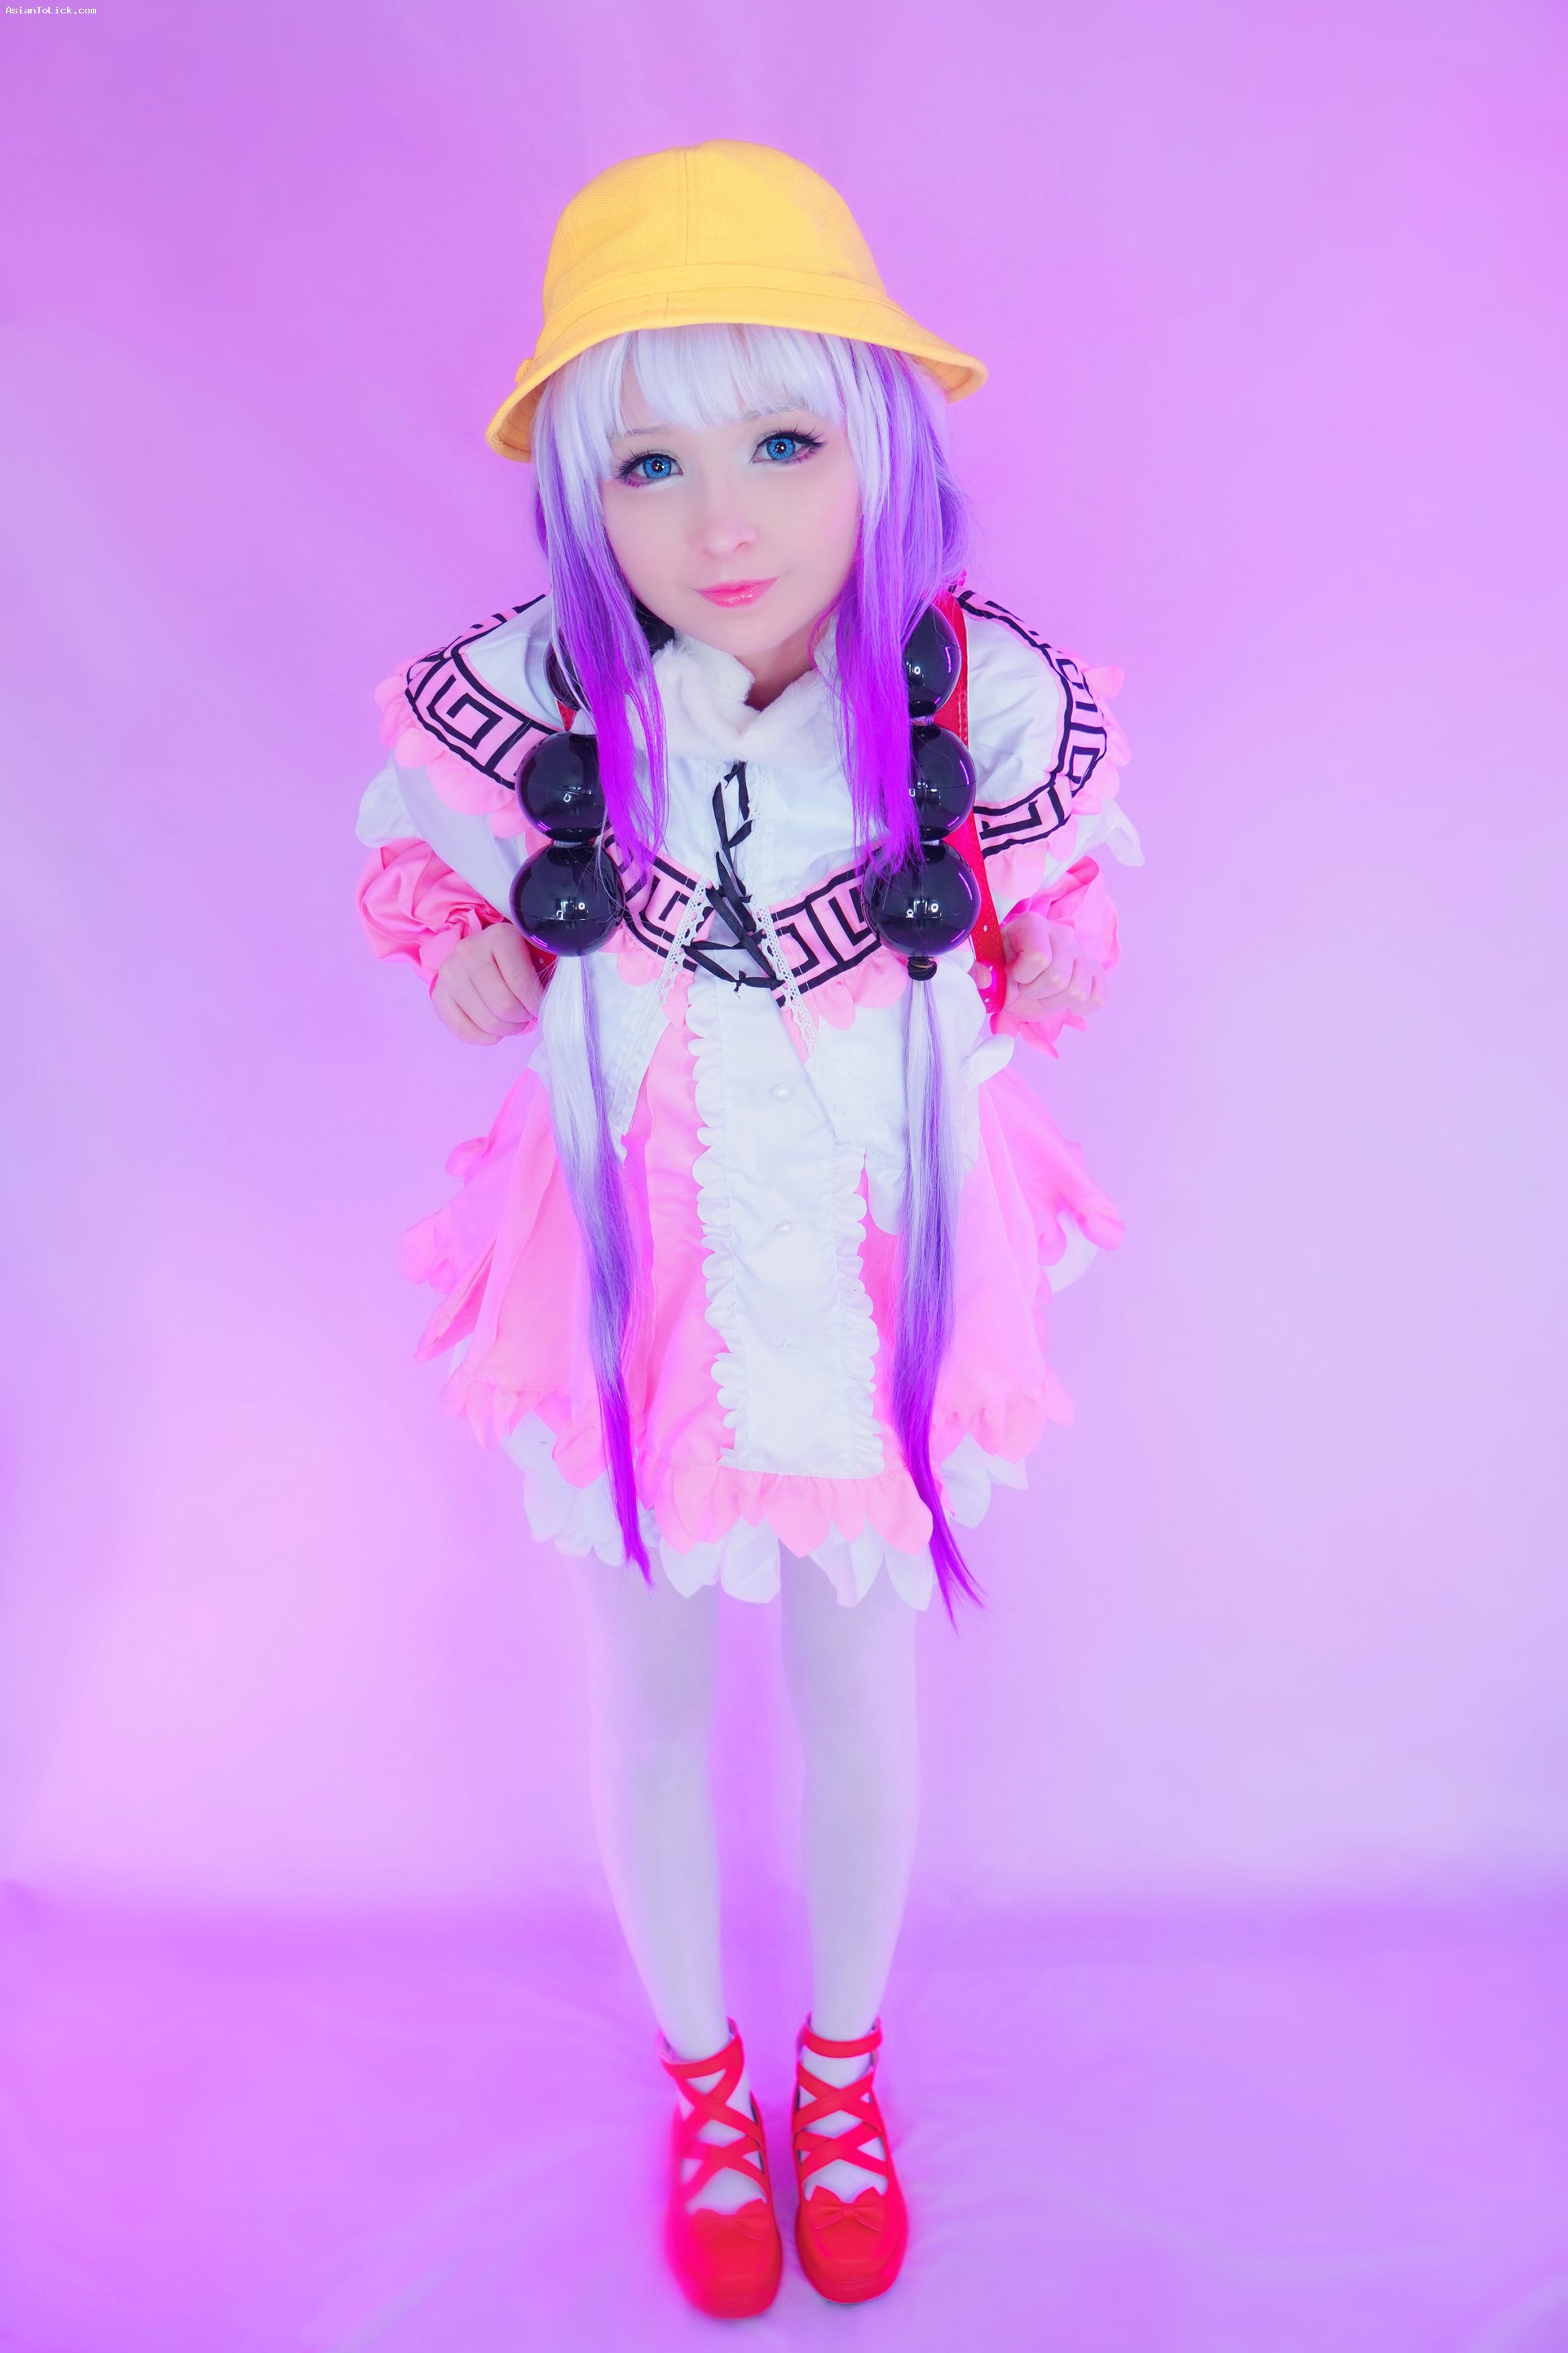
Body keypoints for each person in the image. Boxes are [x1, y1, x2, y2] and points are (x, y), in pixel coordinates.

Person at [355, 140, 1139, 2319]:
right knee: (647, 1681)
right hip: (638, 1256)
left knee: (861, 1672)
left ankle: (842, 2068)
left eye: (786, 443)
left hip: (883, 1243)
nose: (726, 522)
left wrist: (1063, 951)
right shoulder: (536, 702)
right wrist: (457, 945)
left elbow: (1071, 892)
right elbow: (412, 864)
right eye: (653, 465)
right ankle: (707, 2082)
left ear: (880, 439)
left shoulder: (975, 703)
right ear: (580, 497)